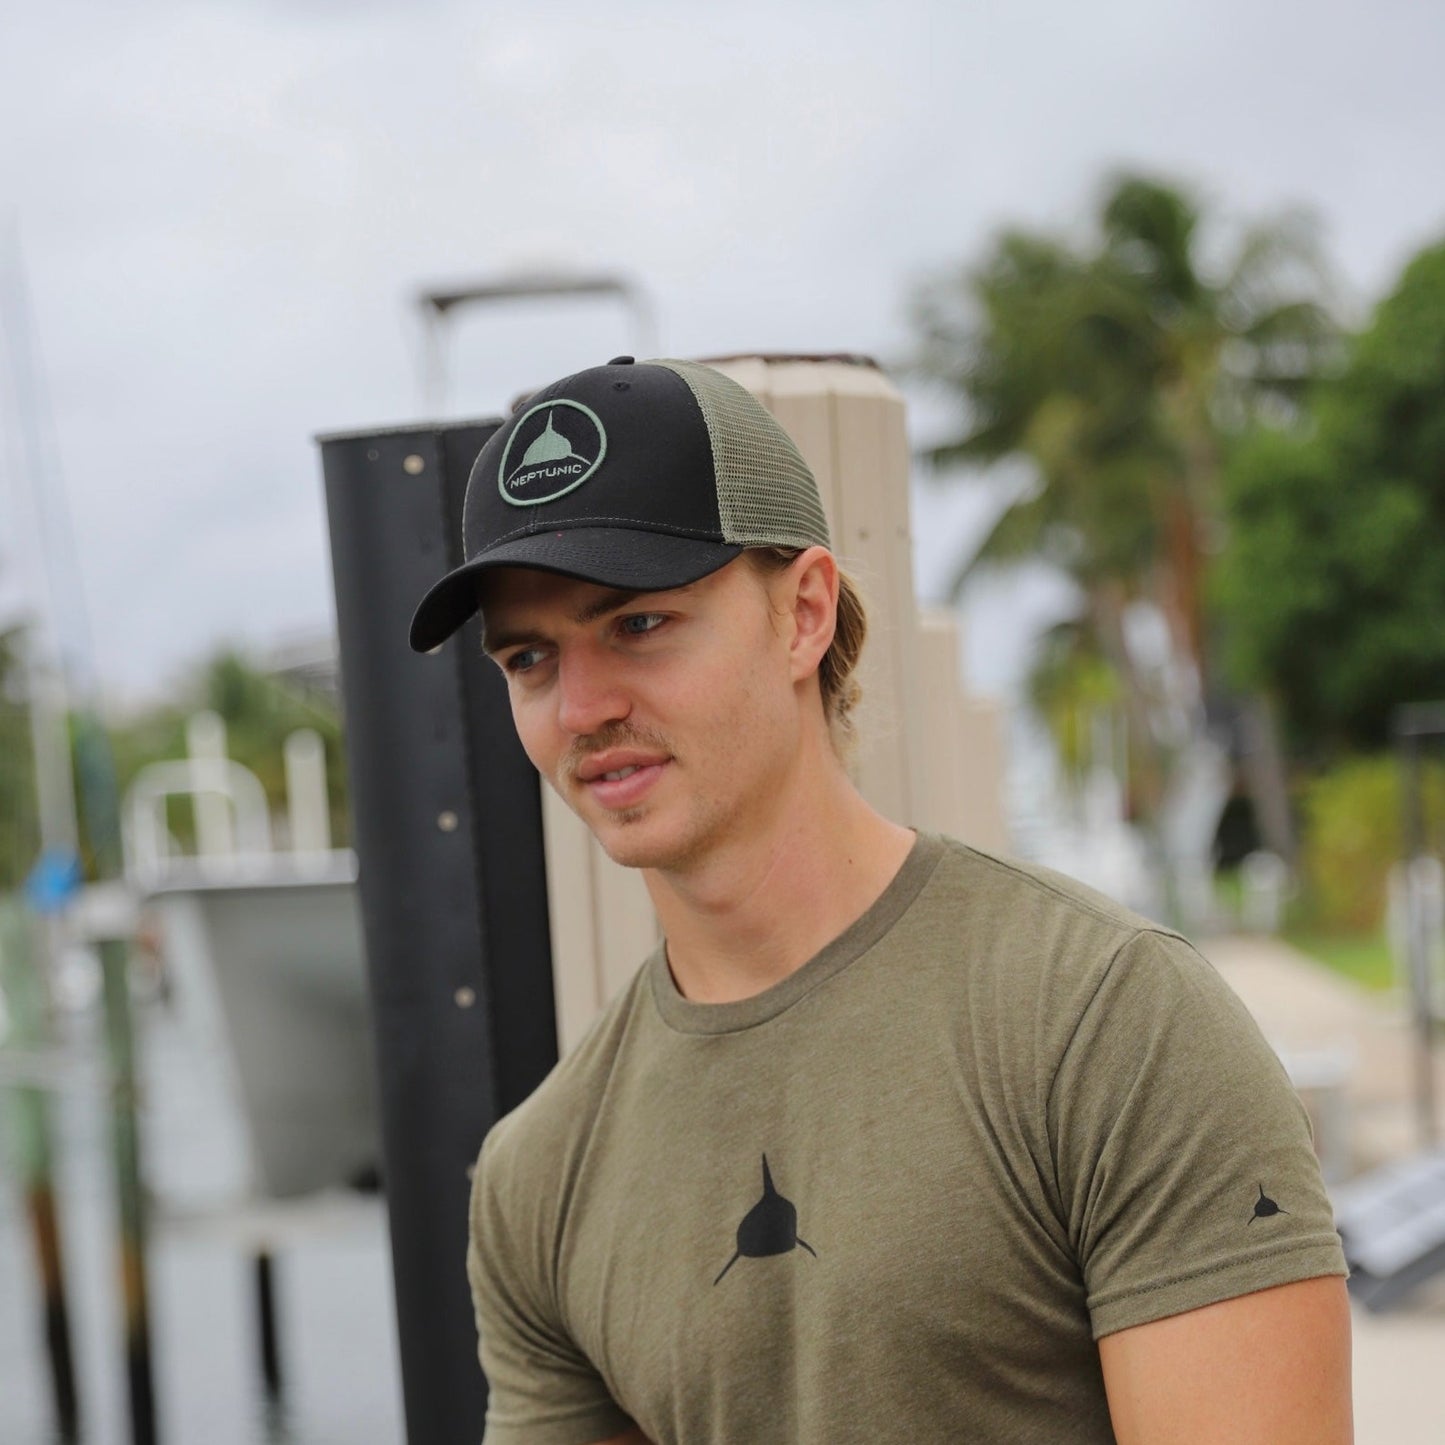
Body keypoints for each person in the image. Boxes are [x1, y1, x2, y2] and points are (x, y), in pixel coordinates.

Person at [409, 356, 1352, 1444]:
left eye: (638, 625)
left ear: (804, 612)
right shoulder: (539, 1173)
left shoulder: (1107, 1018)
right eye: (530, 658)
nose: (580, 707)